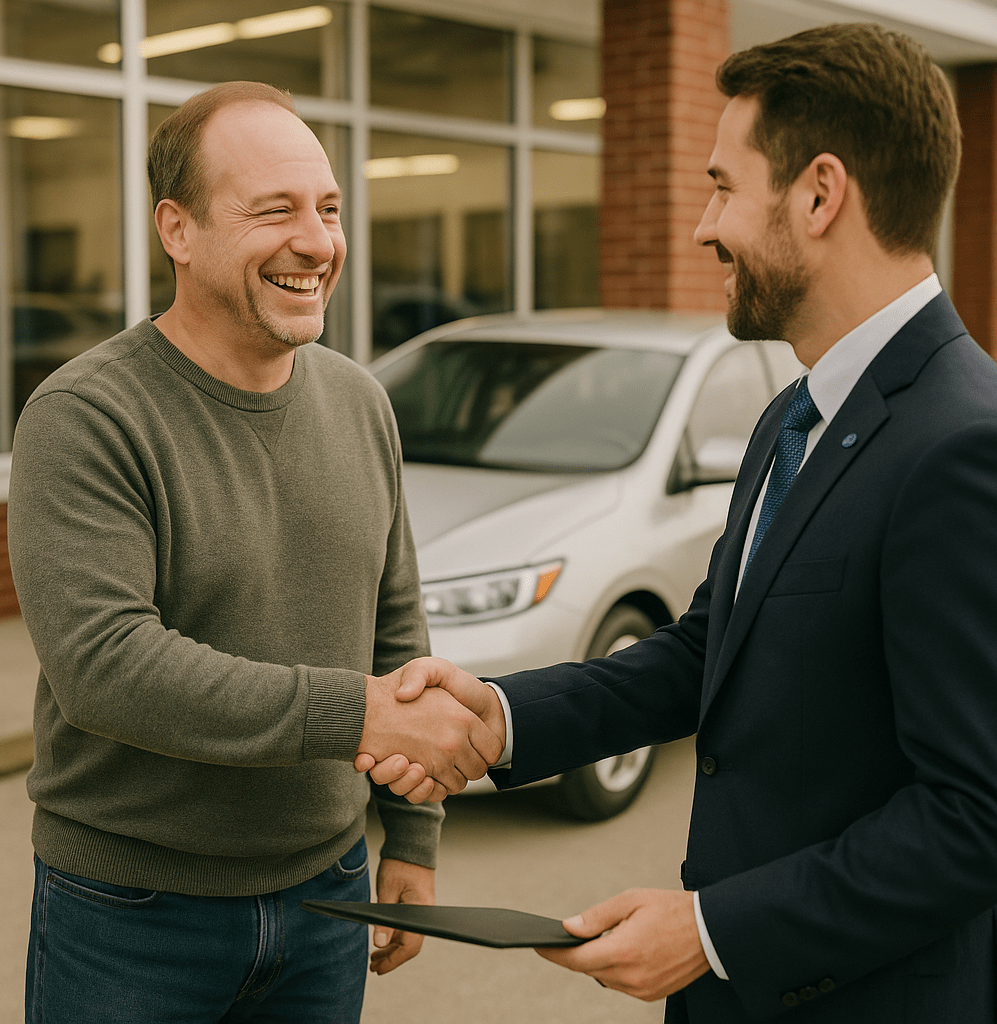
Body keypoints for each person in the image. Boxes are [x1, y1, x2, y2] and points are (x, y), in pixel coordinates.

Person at [356, 23, 997, 1023]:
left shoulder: (963, 445)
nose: (704, 226)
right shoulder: (794, 416)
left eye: (723, 187)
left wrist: (710, 931)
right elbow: (707, 652)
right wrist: (500, 719)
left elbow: (973, 819)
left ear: (819, 195)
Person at [8, 80, 501, 1024]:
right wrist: (357, 716)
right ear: (178, 230)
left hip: (327, 894)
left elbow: (394, 622)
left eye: (328, 209)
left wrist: (414, 834)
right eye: (274, 211)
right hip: (130, 915)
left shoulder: (360, 402)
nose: (317, 243)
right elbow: (105, 668)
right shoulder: (86, 415)